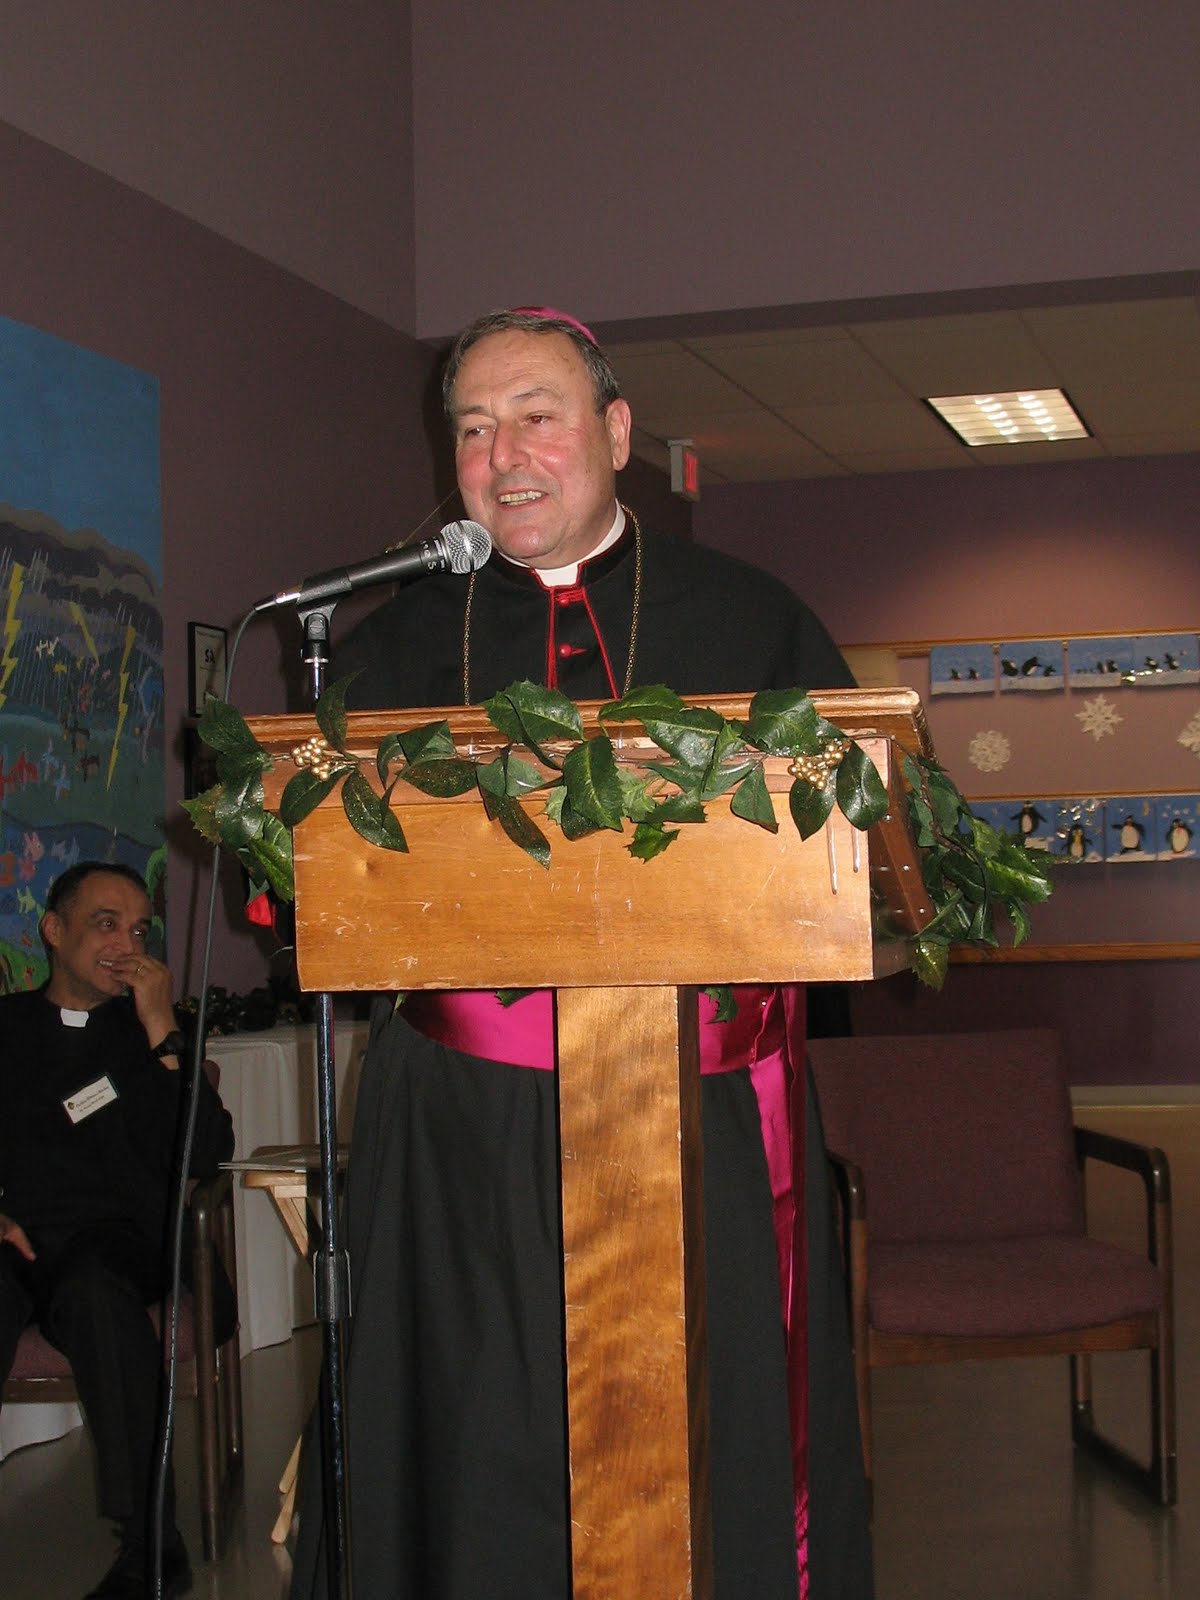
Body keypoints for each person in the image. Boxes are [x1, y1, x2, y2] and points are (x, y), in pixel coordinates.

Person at [290, 309, 873, 1599]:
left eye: (538, 416)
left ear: (615, 434)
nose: (507, 456)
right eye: (476, 428)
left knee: (707, 1432)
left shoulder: (754, 621)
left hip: (704, 1115)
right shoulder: (382, 644)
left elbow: (854, 856)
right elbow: (311, 888)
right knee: (478, 1442)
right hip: (464, 1129)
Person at [0, 861, 235, 1600]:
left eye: (139, 929)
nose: (125, 944)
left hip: (120, 1243)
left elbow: (204, 1153)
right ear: (54, 930)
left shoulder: (156, 1037)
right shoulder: (4, 1028)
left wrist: (162, 1025)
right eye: (105, 923)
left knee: (95, 1287)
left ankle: (152, 1545)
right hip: (16, 1244)